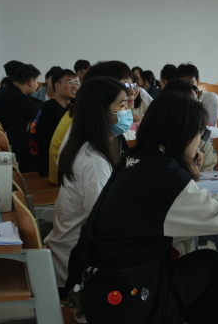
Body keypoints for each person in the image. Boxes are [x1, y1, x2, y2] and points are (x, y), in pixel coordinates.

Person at [66, 91, 218, 324]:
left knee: (210, 293)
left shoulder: (136, 161)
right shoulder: (164, 176)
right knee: (209, 263)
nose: (201, 141)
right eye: (200, 133)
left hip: (103, 287)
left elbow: (200, 202)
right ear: (183, 132)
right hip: (127, 299)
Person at [44, 76, 132, 290]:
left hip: (70, 252)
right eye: (122, 105)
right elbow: (105, 224)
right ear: (100, 112)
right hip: (77, 269)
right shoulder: (93, 160)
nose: (128, 111)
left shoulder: (85, 142)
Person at [48, 61, 141, 185]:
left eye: (132, 85)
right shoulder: (85, 127)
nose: (132, 92)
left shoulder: (101, 122)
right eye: (124, 86)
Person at [0, 64, 42, 172]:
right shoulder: (17, 96)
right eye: (36, 82)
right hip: (18, 145)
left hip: (11, 138)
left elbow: (35, 103)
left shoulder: (9, 89)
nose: (37, 85)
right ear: (30, 82)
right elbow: (40, 113)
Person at [30, 70, 79, 177]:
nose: (74, 86)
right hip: (48, 165)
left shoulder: (65, 106)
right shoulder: (51, 109)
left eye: (76, 83)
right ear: (57, 86)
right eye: (69, 82)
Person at [161, 79, 217, 172]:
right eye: (189, 102)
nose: (195, 107)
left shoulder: (203, 135)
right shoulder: (157, 138)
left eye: (196, 101)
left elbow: (209, 173)